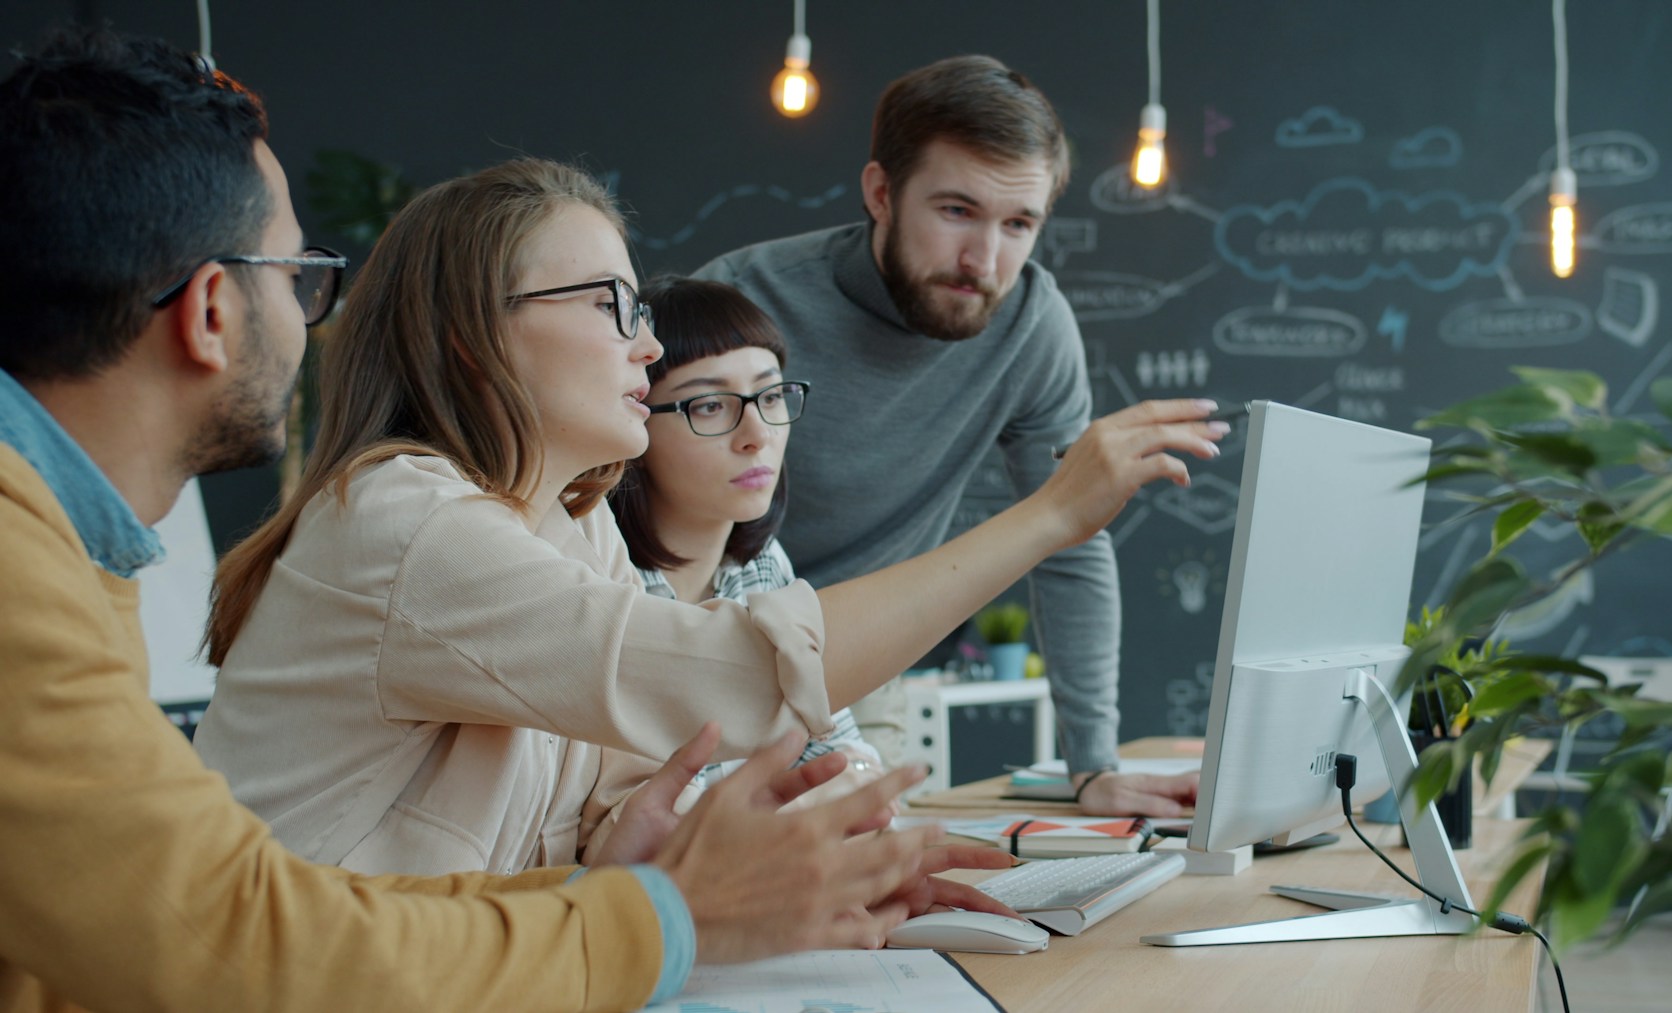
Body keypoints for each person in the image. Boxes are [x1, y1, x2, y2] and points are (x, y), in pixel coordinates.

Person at [0, 28, 954, 1013]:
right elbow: (225, 942)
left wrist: (611, 879)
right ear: (210, 311)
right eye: (293, 276)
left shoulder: (66, 544)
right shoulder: (394, 514)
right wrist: (664, 915)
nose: (308, 314)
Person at [193, 152, 1216, 880]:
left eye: (639, 309)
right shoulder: (408, 515)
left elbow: (566, 826)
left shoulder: (576, 522)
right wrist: (1048, 514)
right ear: (475, 340)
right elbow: (731, 674)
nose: (646, 347)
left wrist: (638, 848)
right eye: (608, 305)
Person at [695, 55, 1231, 816]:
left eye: (1019, 224)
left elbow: (1073, 539)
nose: (985, 260)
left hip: (857, 680)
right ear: (881, 193)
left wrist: (1095, 767)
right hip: (700, 665)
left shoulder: (1031, 328)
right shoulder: (742, 304)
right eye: (956, 212)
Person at [611, 276, 883, 817]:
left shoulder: (757, 564)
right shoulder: (602, 577)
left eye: (771, 394)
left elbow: (847, 757)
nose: (757, 433)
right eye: (710, 405)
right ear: (635, 422)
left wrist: (837, 788)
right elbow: (655, 815)